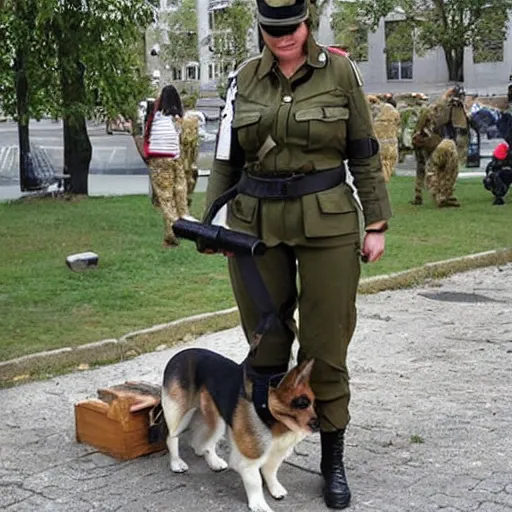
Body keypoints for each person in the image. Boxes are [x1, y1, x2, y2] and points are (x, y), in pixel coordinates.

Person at [203, 0, 392, 508]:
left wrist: (375, 222)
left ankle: (331, 458)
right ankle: (263, 449)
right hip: (254, 223)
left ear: (308, 23)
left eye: (292, 28)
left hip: (327, 222)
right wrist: (212, 225)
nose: (283, 37)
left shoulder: (341, 72)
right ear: (260, 26)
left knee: (324, 345)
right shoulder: (243, 77)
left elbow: (363, 149)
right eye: (273, 29)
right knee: (265, 344)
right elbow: (226, 158)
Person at [144, 85, 189, 247]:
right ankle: (179, 229)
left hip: (159, 160)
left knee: (166, 198)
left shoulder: (156, 116)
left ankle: (174, 233)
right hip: (175, 159)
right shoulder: (178, 118)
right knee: (179, 194)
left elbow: (147, 134)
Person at [411, 86, 469, 207]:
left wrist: (418, 195)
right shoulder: (453, 110)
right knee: (449, 172)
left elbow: (420, 168)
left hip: (439, 145)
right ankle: (446, 196)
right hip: (449, 145)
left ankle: (441, 197)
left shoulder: (428, 115)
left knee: (434, 172)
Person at [367, 94, 401, 183]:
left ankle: (382, 183)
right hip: (392, 144)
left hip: (379, 144)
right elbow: (398, 125)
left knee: (380, 165)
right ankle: (386, 180)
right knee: (389, 164)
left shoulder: (374, 113)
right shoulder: (394, 112)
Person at [179, 111, 203, 207]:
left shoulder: (192, 142)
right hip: (186, 162)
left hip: (188, 162)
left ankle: (185, 200)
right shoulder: (189, 141)